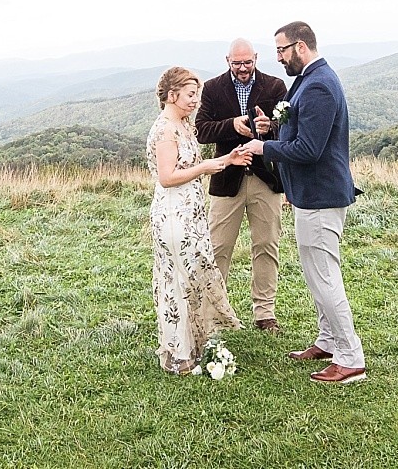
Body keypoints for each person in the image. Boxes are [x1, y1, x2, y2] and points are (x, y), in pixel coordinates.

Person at [243, 21, 366, 385]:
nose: (278, 58)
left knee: (325, 276)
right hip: (308, 196)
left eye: (281, 50)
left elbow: (310, 150)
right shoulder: (309, 80)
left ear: (300, 46)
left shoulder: (320, 86)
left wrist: (262, 147)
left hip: (321, 195)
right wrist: (273, 129)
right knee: (316, 275)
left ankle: (350, 357)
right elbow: (301, 131)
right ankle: (327, 341)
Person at [148, 66, 251, 374]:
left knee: (192, 275)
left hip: (192, 212)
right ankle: (178, 353)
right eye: (191, 95)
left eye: (197, 95)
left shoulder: (183, 124)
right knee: (178, 278)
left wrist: (226, 160)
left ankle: (192, 343)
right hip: (172, 214)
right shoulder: (165, 129)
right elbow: (168, 177)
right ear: (172, 95)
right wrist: (206, 167)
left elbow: (197, 163)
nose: (195, 101)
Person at [196, 39, 289, 333]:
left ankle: (265, 314)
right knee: (218, 248)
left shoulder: (275, 87)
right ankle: (214, 315)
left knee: (266, 245)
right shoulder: (211, 89)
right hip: (226, 180)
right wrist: (231, 125)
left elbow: (289, 129)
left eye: (247, 62)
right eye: (237, 63)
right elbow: (200, 130)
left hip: (266, 179)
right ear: (227, 61)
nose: (243, 68)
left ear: (256, 58)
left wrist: (269, 128)